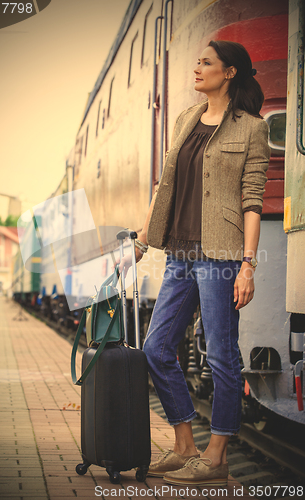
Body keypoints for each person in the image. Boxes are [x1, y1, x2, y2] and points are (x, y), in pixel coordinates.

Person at [119, 40, 270, 487]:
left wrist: (248, 265)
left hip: (222, 258)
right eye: (197, 62)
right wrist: (143, 241)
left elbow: (253, 199)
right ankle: (185, 445)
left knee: (222, 356)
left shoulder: (251, 128)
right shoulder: (186, 119)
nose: (196, 68)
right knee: (157, 348)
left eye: (206, 62)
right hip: (181, 255)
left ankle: (217, 455)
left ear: (230, 73)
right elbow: (164, 186)